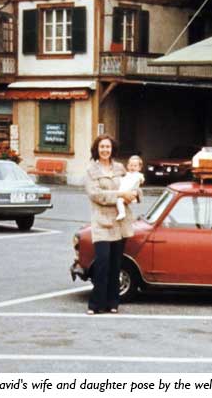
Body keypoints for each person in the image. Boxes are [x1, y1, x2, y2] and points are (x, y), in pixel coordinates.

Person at [84, 134, 140, 315]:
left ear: (112, 149)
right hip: (102, 223)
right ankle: (95, 304)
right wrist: (120, 195)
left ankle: (113, 302)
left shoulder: (120, 168)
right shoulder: (91, 171)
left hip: (120, 223)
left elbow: (133, 185)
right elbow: (96, 195)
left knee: (116, 264)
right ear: (97, 149)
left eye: (108, 147)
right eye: (102, 147)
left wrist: (135, 194)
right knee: (101, 263)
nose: (105, 150)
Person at [116, 155, 145, 221]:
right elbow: (121, 180)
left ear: (139, 168)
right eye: (131, 165)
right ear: (128, 166)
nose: (132, 167)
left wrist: (141, 180)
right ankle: (122, 212)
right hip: (123, 191)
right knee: (119, 200)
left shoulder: (139, 175)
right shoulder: (126, 174)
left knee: (120, 200)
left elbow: (142, 179)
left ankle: (122, 213)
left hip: (131, 191)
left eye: (135, 166)